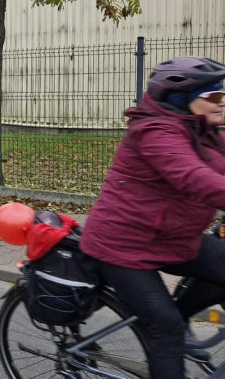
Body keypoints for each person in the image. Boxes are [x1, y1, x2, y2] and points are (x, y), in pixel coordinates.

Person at [80, 56, 225, 379]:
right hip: (123, 248)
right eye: (214, 95)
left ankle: (179, 315)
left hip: (171, 237)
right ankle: (172, 325)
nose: (222, 102)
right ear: (182, 99)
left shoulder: (202, 130)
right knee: (165, 330)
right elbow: (194, 177)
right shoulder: (154, 131)